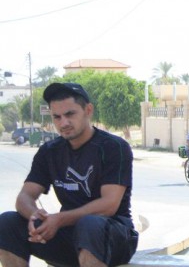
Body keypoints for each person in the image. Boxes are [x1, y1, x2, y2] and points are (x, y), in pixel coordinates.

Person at [0, 82, 138, 267]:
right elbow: (25, 196)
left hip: (113, 234)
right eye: (57, 117)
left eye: (70, 114)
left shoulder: (113, 147)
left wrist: (59, 219)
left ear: (88, 110)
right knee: (7, 222)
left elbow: (109, 205)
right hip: (68, 235)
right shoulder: (49, 151)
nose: (63, 123)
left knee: (89, 225)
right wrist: (35, 216)